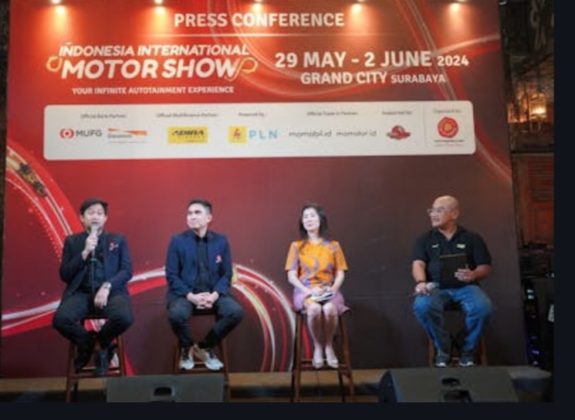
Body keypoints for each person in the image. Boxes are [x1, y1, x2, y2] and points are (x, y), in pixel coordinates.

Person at [52, 198, 134, 376]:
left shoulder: (118, 239)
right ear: (82, 218)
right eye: (90, 213)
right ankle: (89, 344)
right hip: (81, 293)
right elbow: (65, 275)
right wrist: (85, 252)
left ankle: (102, 344)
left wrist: (107, 286)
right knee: (61, 320)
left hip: (111, 293)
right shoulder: (72, 241)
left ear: (105, 218)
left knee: (124, 317)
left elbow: (127, 271)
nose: (95, 217)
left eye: (99, 213)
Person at [412, 195, 493, 367]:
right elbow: (418, 263)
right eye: (431, 210)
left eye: (439, 210)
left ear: (454, 214)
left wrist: (473, 274)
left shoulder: (472, 237)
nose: (433, 214)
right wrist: (421, 282)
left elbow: (485, 267)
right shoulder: (425, 239)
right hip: (435, 286)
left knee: (483, 308)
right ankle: (444, 347)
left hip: (466, 286)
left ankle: (466, 349)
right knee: (422, 306)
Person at [166, 198, 244, 371]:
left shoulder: (221, 241)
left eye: (197, 212)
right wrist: (191, 296)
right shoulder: (177, 241)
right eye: (189, 213)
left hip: (214, 294)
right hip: (186, 295)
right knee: (176, 314)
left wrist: (214, 295)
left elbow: (227, 273)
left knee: (235, 312)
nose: (192, 216)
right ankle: (187, 347)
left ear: (209, 218)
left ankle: (205, 346)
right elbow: (171, 275)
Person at [285, 203, 348, 369]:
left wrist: (332, 289)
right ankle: (318, 346)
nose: (309, 219)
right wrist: (308, 291)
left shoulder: (333, 246)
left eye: (312, 215)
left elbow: (340, 273)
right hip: (305, 290)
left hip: (329, 289)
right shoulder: (296, 246)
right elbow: (291, 276)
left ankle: (328, 345)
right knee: (314, 309)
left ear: (320, 220)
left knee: (328, 309)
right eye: (305, 217)